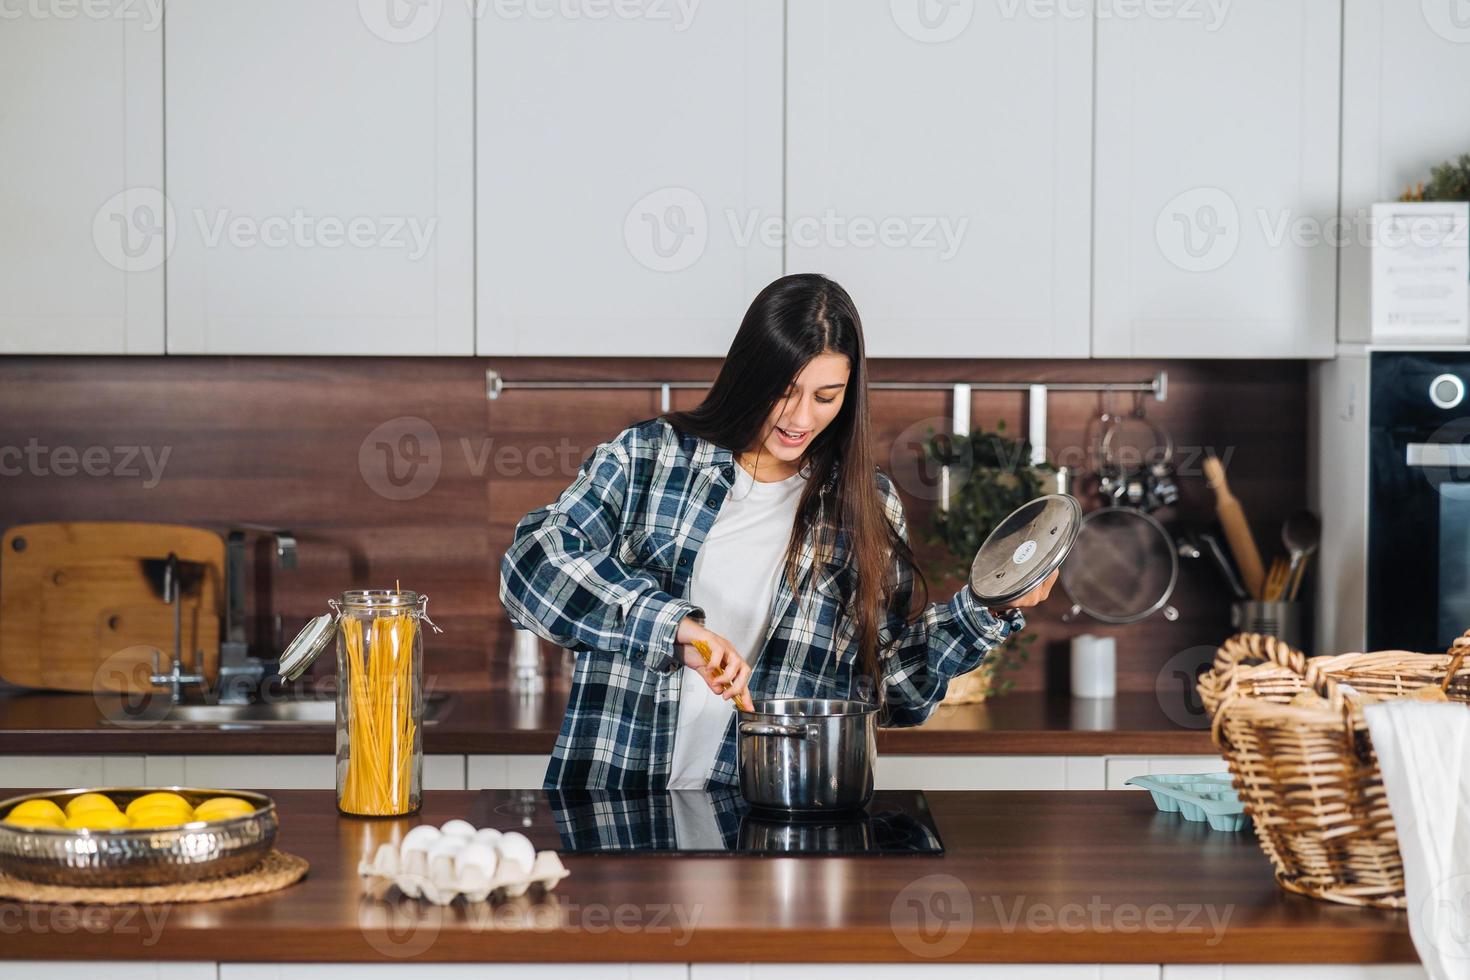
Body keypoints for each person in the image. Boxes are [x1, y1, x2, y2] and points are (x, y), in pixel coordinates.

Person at [499, 273, 1057, 791]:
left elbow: (886, 691)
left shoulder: (866, 504)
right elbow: (530, 567)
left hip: (768, 821)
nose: (801, 418)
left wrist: (984, 610)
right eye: (786, 390)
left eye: (826, 396)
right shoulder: (649, 457)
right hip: (620, 809)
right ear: (750, 375)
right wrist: (674, 629)